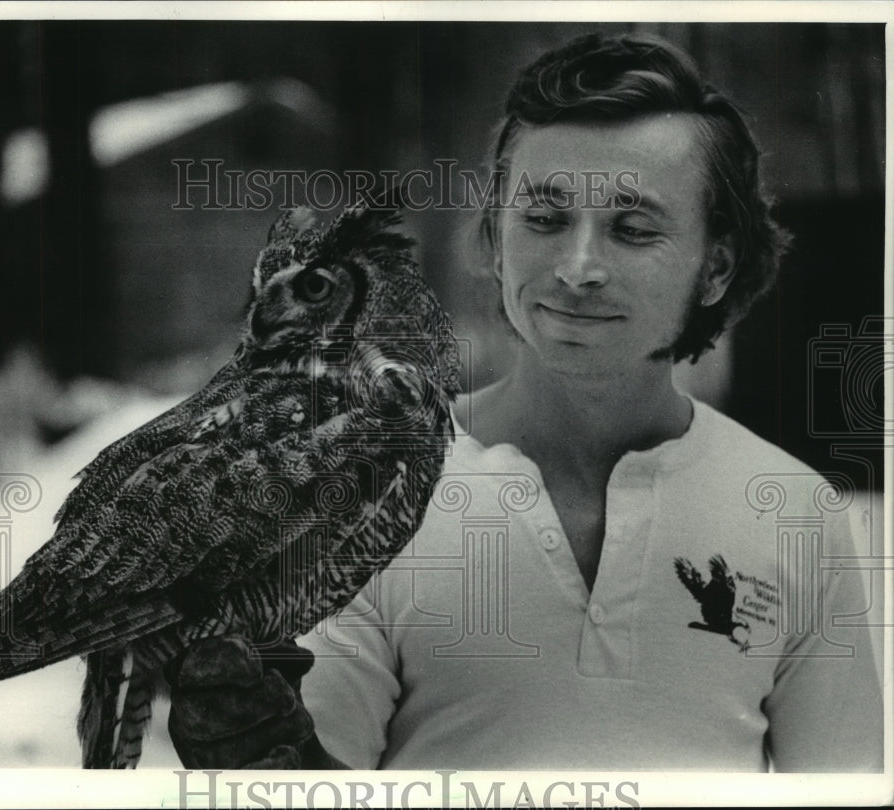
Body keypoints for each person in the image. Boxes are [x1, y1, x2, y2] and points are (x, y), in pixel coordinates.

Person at [167, 32, 882, 772]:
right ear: (496, 237)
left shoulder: (794, 512)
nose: (577, 268)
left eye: (632, 229)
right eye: (543, 220)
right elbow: (307, 770)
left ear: (716, 266)